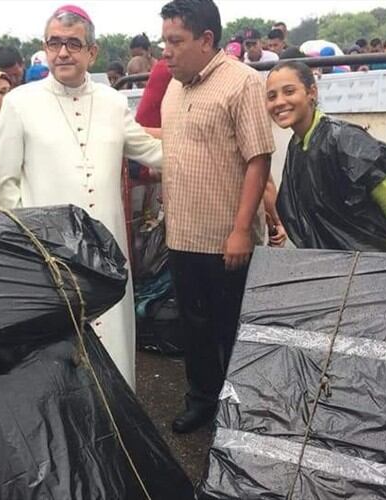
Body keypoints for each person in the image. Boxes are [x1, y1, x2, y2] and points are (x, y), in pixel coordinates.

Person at [0, 4, 163, 389]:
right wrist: (28, 245)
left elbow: (151, 152)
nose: (63, 52)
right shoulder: (20, 102)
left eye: (73, 43)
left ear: (92, 52)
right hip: (50, 254)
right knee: (60, 355)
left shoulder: (112, 101)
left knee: (114, 345)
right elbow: (4, 183)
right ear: (45, 47)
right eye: (55, 43)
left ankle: (120, 428)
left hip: (107, 249)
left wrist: (212, 153)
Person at [159, 0, 275, 434]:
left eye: (176, 41)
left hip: (227, 239)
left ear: (206, 40)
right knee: (194, 327)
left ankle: (243, 412)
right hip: (182, 234)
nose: (165, 52)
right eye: (164, 42)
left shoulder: (241, 82)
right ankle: (203, 400)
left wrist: (242, 229)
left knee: (233, 329)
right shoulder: (175, 86)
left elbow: (257, 159)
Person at [265, 61, 386, 254]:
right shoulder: (297, 145)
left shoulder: (344, 138)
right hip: (332, 262)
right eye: (272, 96)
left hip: (371, 260)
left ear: (312, 92)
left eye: (289, 91)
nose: (279, 102)